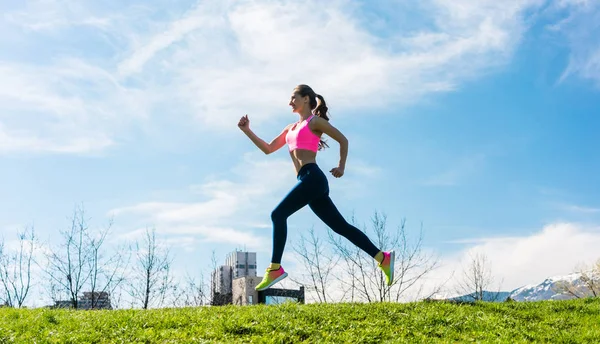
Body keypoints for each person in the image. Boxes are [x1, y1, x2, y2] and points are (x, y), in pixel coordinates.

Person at [237, 84, 395, 291]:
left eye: (294, 97)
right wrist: (247, 130)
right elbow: (268, 149)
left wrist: (341, 166)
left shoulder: (315, 122)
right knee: (341, 227)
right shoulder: (290, 128)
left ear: (306, 99)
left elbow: (343, 140)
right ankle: (382, 257)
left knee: (278, 214)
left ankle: (275, 268)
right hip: (307, 180)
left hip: (313, 178)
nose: (290, 102)